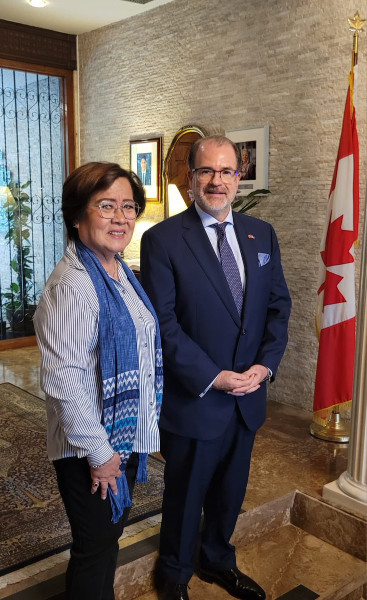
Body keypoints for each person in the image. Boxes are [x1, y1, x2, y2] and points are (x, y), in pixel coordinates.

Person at [140, 135, 291, 600]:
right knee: (185, 498)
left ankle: (217, 559)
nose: (217, 181)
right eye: (207, 171)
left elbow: (277, 308)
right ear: (190, 177)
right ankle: (175, 576)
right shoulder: (162, 240)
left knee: (230, 491)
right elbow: (163, 324)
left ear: (239, 177)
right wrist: (213, 376)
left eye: (227, 172)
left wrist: (264, 368)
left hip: (248, 397)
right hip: (198, 397)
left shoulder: (260, 233)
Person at [34, 162, 163, 600]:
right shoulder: (73, 285)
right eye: (106, 205)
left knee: (106, 541)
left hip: (115, 440)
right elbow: (64, 379)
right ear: (77, 214)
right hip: (92, 447)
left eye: (129, 206)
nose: (121, 217)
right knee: (94, 548)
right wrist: (101, 454)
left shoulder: (117, 269)